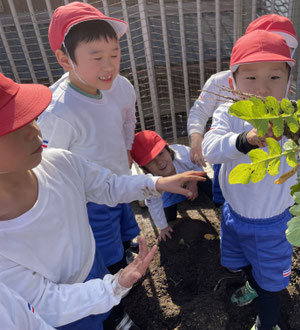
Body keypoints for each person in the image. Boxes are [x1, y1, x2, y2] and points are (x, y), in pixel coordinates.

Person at [0, 72, 205, 329]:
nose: (33, 131)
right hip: (66, 313)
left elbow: (108, 185)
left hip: (92, 263)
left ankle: (117, 317)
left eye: (30, 118)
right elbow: (44, 301)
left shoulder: (58, 162)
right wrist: (114, 287)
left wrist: (156, 183)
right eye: (13, 128)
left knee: (111, 308)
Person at [202, 30, 297, 330]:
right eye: (251, 78)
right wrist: (246, 139)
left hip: (273, 224)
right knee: (239, 262)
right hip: (234, 215)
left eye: (274, 78)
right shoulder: (228, 114)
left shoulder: (297, 122)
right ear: (233, 83)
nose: (263, 89)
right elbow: (210, 148)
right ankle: (252, 282)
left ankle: (267, 324)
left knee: (273, 287)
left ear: (288, 83)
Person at [37, 1, 139, 274]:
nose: (109, 66)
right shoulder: (58, 111)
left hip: (119, 180)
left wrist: (128, 148)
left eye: (115, 54)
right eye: (96, 57)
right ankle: (114, 288)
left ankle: (126, 251)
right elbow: (47, 168)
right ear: (64, 59)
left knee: (124, 228)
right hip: (89, 198)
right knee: (104, 249)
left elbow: (129, 118)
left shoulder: (121, 87)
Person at [187, 14, 297, 206]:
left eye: (286, 46)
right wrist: (196, 133)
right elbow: (201, 109)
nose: (262, 88)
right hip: (231, 150)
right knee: (228, 190)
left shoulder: (279, 83)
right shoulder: (221, 81)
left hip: (268, 174)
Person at [130, 130, 213, 242]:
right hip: (167, 190)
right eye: (151, 162)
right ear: (145, 169)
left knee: (206, 183)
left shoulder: (183, 154)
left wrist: (193, 183)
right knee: (168, 217)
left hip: (189, 179)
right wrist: (163, 227)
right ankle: (177, 199)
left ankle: (219, 204)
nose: (160, 162)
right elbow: (154, 205)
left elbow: (198, 164)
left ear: (168, 150)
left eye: (160, 154)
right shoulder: (150, 182)